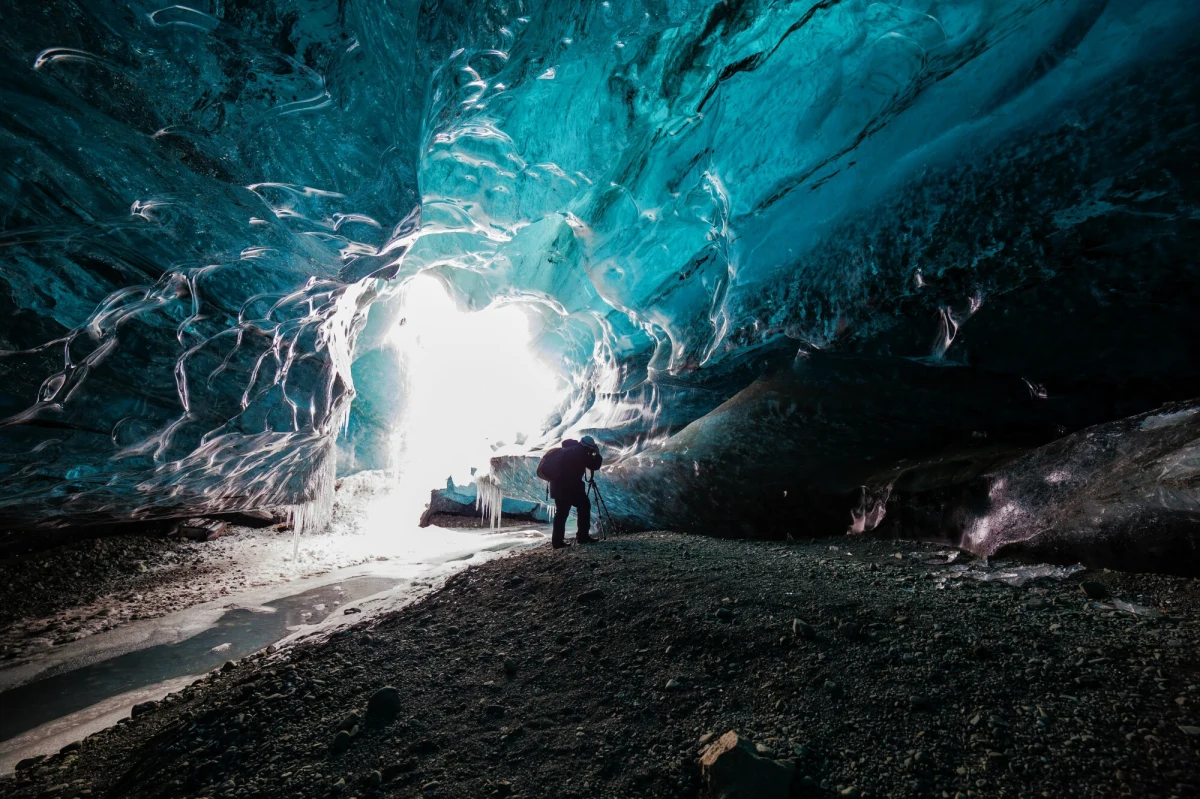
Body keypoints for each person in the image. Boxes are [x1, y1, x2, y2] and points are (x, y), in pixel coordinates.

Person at [545, 436, 603, 549]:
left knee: (561, 513)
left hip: (556, 486)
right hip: (570, 487)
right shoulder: (580, 451)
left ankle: (557, 542)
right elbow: (594, 465)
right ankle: (583, 537)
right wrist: (597, 454)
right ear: (588, 447)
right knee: (584, 506)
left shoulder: (567, 450)